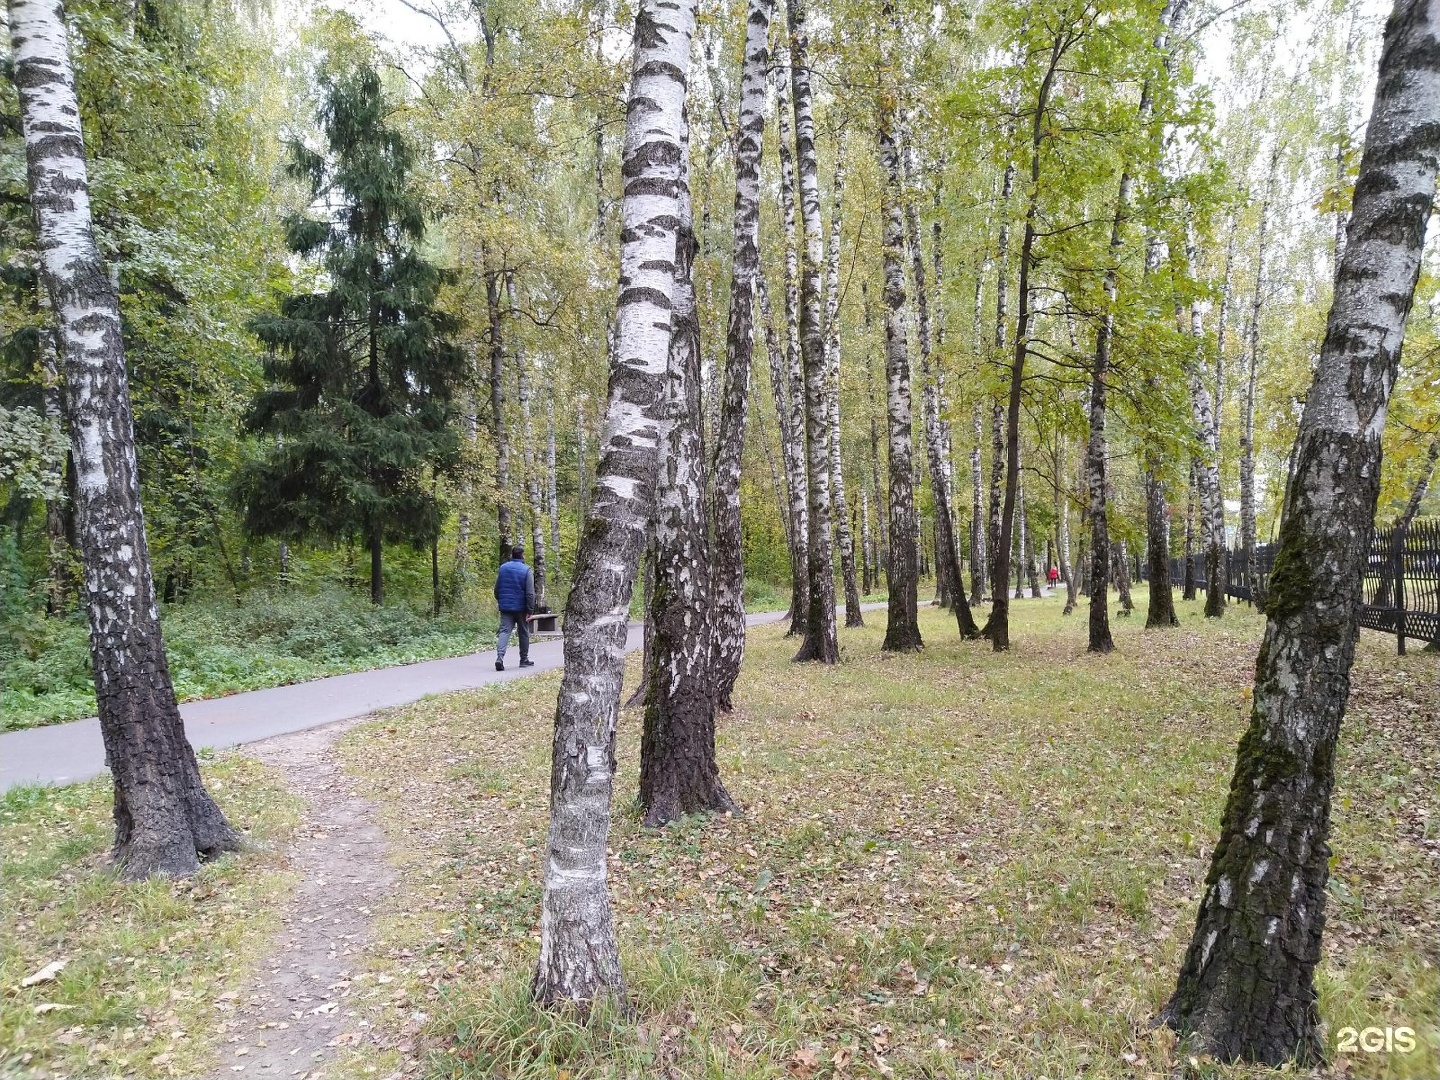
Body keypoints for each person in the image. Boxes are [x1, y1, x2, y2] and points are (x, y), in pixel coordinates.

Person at [493, 545, 536, 671]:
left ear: (512, 555)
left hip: (506, 607)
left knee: (504, 631)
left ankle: (500, 657)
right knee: (523, 632)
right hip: (521, 608)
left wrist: (501, 600)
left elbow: (497, 588)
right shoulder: (526, 570)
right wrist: (530, 610)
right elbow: (530, 593)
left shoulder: (503, 568)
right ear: (522, 555)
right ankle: (524, 659)